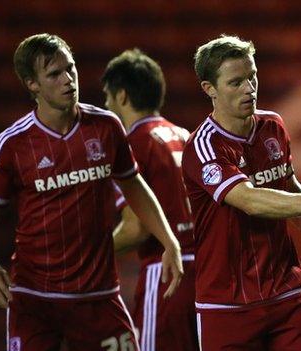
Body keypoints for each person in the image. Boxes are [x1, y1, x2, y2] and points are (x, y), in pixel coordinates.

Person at [0, 34, 183, 351]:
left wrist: (169, 240)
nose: (68, 80)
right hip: (36, 300)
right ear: (32, 84)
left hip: (99, 296)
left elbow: (134, 186)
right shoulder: (13, 144)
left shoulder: (106, 126)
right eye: (54, 74)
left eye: (70, 69)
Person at [182, 35, 301, 350]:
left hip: (286, 295)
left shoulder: (273, 126)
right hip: (227, 305)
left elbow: (287, 187)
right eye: (236, 82)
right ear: (209, 89)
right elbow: (249, 200)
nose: (249, 88)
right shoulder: (204, 147)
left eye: (252, 77)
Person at [102, 49, 198, 351]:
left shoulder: (133, 144)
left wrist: (85, 256)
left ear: (122, 96)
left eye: (108, 97)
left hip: (166, 271)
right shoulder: (185, 135)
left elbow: (135, 229)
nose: (106, 105)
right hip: (209, 271)